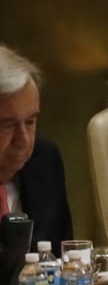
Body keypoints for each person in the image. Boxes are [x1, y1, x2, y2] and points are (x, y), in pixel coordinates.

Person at [0, 44, 73, 245]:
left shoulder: (44, 161)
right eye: (7, 125)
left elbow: (62, 258)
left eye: (30, 122)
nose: (23, 140)